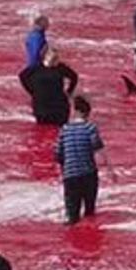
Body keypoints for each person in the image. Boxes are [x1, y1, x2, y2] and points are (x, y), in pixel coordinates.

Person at [54, 95, 106, 224]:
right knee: (89, 212)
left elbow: (58, 154)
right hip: (88, 173)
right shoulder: (90, 127)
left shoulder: (64, 129)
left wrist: (65, 168)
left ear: (74, 111)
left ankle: (70, 236)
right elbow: (97, 146)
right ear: (87, 113)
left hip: (70, 175)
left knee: (72, 215)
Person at [17, 47, 79, 126]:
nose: (56, 60)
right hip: (41, 107)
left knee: (60, 131)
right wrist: (32, 90)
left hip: (59, 107)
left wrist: (69, 91)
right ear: (45, 56)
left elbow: (74, 77)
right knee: (42, 133)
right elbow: (22, 76)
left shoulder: (61, 68)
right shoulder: (36, 68)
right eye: (54, 57)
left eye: (57, 58)